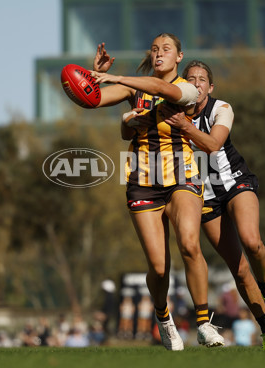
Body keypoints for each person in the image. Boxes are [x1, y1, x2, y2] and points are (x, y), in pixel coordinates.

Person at [89, 35, 224, 350]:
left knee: (190, 244)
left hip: (183, 174)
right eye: (154, 48)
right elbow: (91, 101)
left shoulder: (186, 87)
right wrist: (91, 79)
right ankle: (164, 319)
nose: (159, 52)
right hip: (143, 179)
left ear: (179, 56)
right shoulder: (132, 89)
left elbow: (163, 90)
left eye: (166, 49)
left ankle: (203, 323)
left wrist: (117, 75)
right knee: (159, 267)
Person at [160, 60, 265, 350]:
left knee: (251, 241)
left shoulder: (221, 108)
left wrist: (184, 126)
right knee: (239, 268)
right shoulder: (171, 113)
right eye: (190, 78)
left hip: (235, 183)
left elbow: (213, 144)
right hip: (203, 196)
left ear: (210, 86)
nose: (196, 83)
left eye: (202, 79)